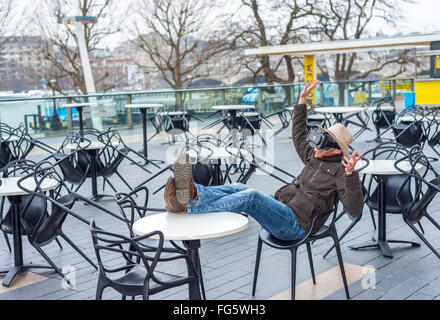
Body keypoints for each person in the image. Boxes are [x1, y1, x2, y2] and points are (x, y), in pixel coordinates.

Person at [164, 80, 364, 241]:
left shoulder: (341, 171)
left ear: (335, 150)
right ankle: (194, 193)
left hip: (297, 225)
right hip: (283, 207)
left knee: (251, 196)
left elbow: (355, 212)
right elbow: (299, 136)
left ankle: (190, 207)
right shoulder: (314, 157)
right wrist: (302, 101)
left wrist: (351, 176)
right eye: (319, 139)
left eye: (324, 142)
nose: (317, 146)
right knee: (239, 187)